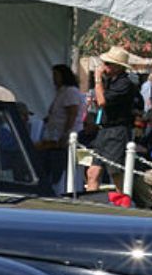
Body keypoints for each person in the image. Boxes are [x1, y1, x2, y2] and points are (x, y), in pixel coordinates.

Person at [86, 46, 139, 192]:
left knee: (115, 173)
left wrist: (97, 79)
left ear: (118, 67)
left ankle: (124, 199)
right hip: (104, 130)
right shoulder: (109, 81)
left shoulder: (124, 84)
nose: (104, 66)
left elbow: (102, 101)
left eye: (108, 64)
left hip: (117, 132)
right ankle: (91, 201)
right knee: (92, 172)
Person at [39, 63, 86, 192]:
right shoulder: (61, 91)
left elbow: (72, 113)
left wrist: (66, 134)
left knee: (59, 163)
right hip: (54, 134)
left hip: (65, 136)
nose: (54, 79)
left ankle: (57, 187)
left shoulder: (70, 91)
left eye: (56, 75)